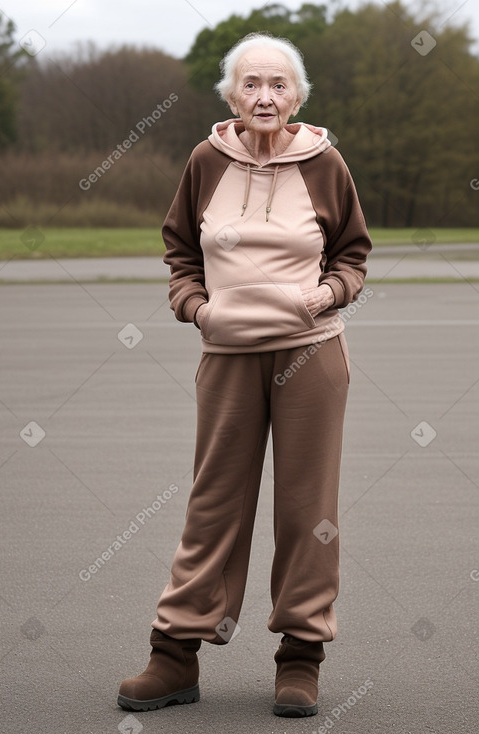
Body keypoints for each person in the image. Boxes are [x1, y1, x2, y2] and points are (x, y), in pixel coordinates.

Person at [118, 31, 372, 719]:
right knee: (213, 502)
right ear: (231, 95)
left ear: (297, 97)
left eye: (278, 85)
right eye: (251, 84)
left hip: (310, 353)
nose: (265, 96)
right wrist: (194, 308)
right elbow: (179, 250)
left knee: (306, 511)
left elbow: (352, 254)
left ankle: (299, 657)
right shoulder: (206, 160)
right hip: (226, 356)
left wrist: (328, 294)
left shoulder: (324, 162)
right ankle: (173, 654)